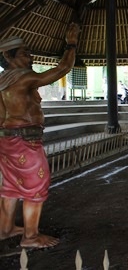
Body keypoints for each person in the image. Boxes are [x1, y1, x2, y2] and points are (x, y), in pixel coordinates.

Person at [0, 23, 80, 248]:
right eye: (25, 54)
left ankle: (5, 229)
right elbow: (61, 69)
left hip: (6, 139)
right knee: (36, 184)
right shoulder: (23, 78)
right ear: (8, 55)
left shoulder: (3, 81)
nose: (30, 57)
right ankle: (31, 236)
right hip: (24, 140)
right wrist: (71, 44)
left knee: (11, 186)